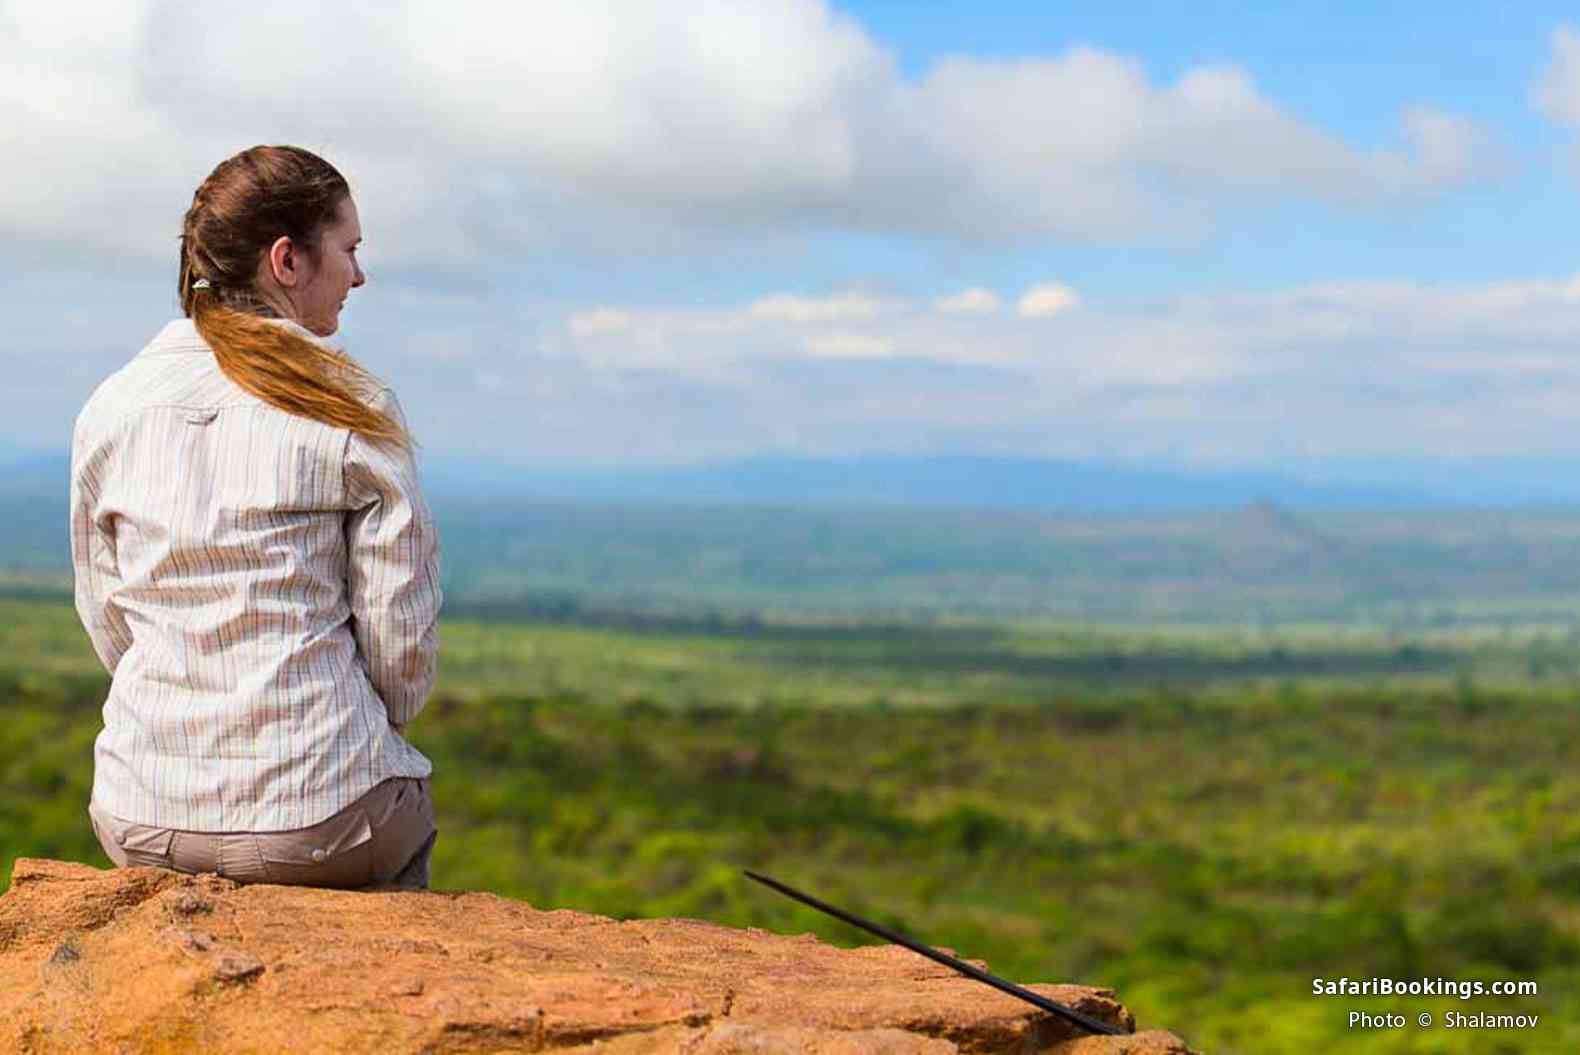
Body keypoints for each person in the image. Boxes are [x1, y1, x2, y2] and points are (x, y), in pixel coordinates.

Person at [69, 145, 442, 890]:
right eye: (350, 249)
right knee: (398, 818)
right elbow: (400, 642)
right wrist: (351, 732)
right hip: (323, 818)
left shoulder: (114, 402)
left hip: (141, 809)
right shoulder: (348, 399)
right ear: (288, 260)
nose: (359, 275)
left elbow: (108, 616)